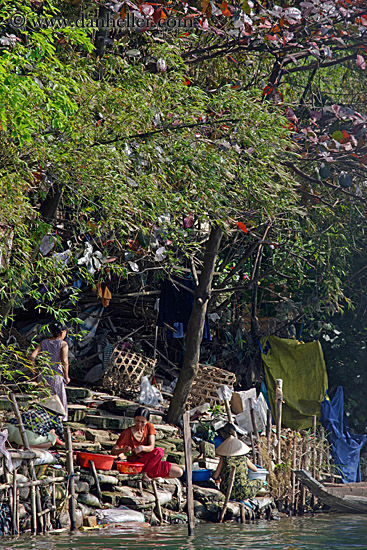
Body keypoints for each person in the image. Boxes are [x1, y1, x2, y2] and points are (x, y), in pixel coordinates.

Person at [111, 406, 183, 482]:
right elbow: (113, 451)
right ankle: (144, 474)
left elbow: (151, 447)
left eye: (142, 422)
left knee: (179, 471)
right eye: (137, 421)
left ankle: (150, 474)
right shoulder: (127, 432)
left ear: (147, 421)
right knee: (159, 451)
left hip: (151, 464)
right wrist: (123, 450)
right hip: (137, 465)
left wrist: (141, 448)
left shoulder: (149, 427)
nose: (139, 424)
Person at [30, 321, 69, 421]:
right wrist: (66, 377)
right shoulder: (63, 344)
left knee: (44, 400)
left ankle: (43, 420)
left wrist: (35, 373)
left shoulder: (43, 343)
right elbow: (64, 361)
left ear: (52, 332)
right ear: (62, 332)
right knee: (59, 400)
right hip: (56, 375)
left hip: (43, 375)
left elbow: (32, 357)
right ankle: (59, 422)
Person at [212, 435, 264, 501]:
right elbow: (255, 469)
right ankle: (248, 498)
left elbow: (215, 476)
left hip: (227, 492)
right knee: (260, 482)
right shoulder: (244, 458)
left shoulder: (224, 459)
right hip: (243, 491)